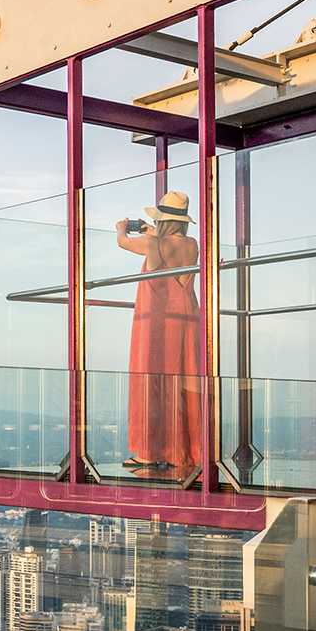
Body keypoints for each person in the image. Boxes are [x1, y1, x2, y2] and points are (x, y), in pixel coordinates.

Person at [117, 190, 201, 472]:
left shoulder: (153, 245)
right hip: (187, 318)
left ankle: (149, 452)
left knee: (152, 381)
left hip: (158, 323)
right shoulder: (193, 244)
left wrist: (121, 229)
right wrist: (154, 231)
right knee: (184, 379)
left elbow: (123, 242)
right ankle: (185, 450)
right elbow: (171, 245)